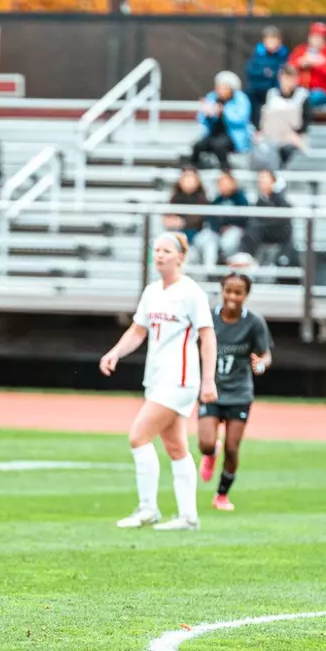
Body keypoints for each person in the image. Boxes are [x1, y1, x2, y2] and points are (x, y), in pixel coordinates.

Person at [98, 232, 217, 531]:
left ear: (180, 256)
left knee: (138, 436)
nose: (160, 255)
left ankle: (147, 508)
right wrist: (115, 353)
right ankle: (188, 516)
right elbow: (138, 331)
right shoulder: (152, 291)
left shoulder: (191, 292)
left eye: (166, 250)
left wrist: (208, 380)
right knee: (176, 447)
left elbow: (207, 335)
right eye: (157, 250)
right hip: (156, 377)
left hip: (179, 379)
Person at [196, 271, 272, 511]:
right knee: (206, 443)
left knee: (232, 446)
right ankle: (211, 453)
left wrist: (260, 364)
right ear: (222, 291)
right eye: (228, 291)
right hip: (211, 389)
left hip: (239, 392)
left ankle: (222, 495)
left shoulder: (254, 322)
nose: (232, 297)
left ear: (246, 295)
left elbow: (265, 354)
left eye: (238, 292)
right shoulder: (208, 319)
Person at [253, 65, 310, 169]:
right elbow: (264, 117)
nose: (288, 82)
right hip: (271, 134)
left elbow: (305, 122)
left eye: (291, 78)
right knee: (261, 146)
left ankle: (279, 173)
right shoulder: (272, 94)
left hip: (293, 135)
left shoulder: (302, 95)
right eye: (285, 78)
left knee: (286, 148)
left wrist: (292, 134)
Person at [191, 70, 252, 167]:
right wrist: (208, 115)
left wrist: (223, 112)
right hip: (213, 133)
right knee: (198, 146)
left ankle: (225, 170)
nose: (219, 90)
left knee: (219, 146)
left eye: (223, 87)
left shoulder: (241, 99)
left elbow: (241, 119)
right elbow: (201, 119)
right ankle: (195, 169)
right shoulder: (212, 97)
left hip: (233, 135)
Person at [240, 169, 298, 268]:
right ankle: (246, 257)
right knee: (252, 228)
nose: (262, 182)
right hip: (263, 233)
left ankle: (246, 255)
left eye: (265, 179)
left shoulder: (280, 199)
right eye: (260, 180)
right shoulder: (260, 200)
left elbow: (281, 220)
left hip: (280, 233)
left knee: (255, 228)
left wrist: (278, 191)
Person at [195, 169, 249, 266]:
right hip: (217, 231)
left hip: (235, 230)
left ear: (233, 183)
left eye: (227, 182)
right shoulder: (217, 200)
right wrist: (219, 227)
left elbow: (243, 218)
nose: (224, 185)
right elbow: (210, 218)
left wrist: (229, 224)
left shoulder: (240, 199)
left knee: (228, 241)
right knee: (208, 243)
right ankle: (209, 272)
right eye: (221, 183)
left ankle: (226, 264)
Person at [287, 21, 326, 108]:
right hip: (299, 89)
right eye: (315, 36)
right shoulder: (301, 50)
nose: (317, 39)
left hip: (321, 92)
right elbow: (288, 68)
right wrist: (301, 62)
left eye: (320, 37)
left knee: (313, 98)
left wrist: (318, 64)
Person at [244, 25, 288, 124]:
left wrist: (269, 74)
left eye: (274, 39)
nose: (271, 43)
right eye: (269, 39)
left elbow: (278, 74)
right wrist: (266, 73)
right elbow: (251, 72)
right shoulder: (257, 55)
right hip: (256, 90)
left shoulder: (283, 56)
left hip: (275, 90)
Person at [163, 165, 210, 245]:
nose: (189, 180)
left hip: (197, 235)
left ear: (197, 180)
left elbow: (199, 218)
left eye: (191, 177)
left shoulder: (202, 198)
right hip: (178, 233)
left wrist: (182, 222)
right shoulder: (175, 197)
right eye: (186, 177)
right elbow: (169, 216)